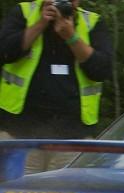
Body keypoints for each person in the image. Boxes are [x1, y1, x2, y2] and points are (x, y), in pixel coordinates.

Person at [0, 0, 113, 141]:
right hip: (18, 130)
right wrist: (41, 23)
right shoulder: (24, 12)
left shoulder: (92, 21)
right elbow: (5, 52)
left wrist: (71, 36)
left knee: (73, 164)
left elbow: (102, 70)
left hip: (73, 133)